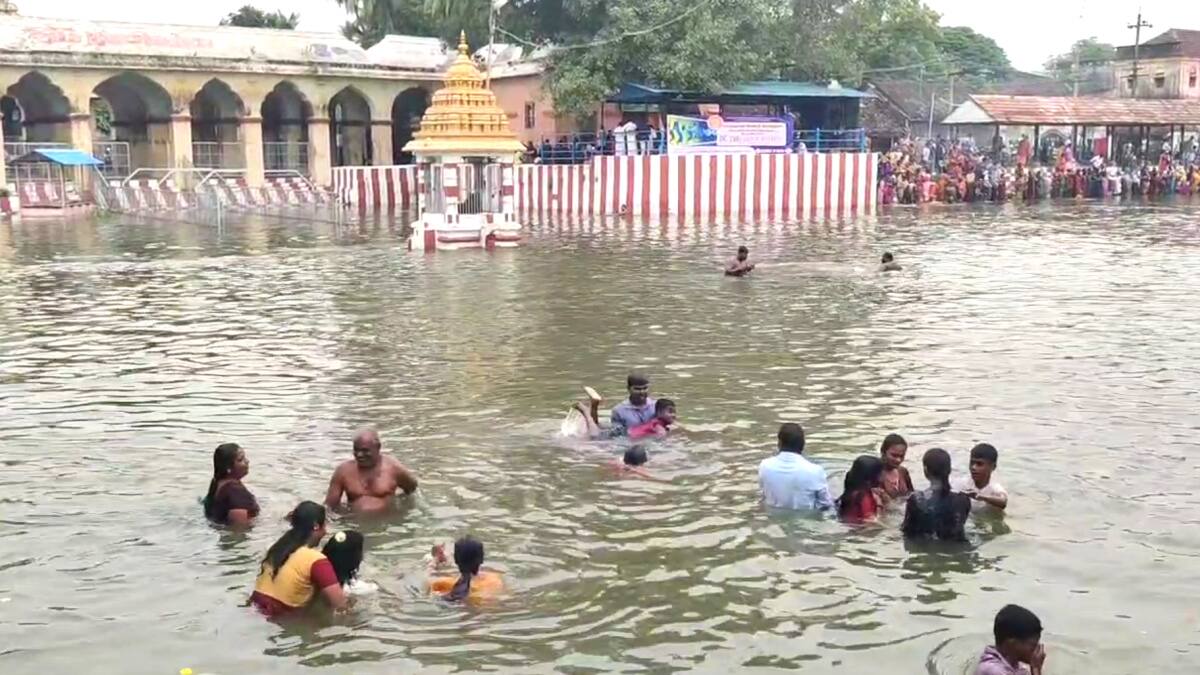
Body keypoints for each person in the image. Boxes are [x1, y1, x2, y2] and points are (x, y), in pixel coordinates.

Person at [250, 501, 347, 616]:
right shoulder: (316, 560)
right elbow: (340, 605)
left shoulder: (277, 549)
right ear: (316, 526)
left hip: (254, 608)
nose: (326, 531)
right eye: (324, 525)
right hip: (282, 617)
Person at [325, 429, 419, 514]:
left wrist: (404, 510)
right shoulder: (343, 471)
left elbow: (412, 490)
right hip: (354, 522)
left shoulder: (393, 468)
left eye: (365, 450)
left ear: (378, 447)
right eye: (356, 450)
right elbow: (330, 506)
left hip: (387, 524)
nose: (359, 454)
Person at [758, 423, 834, 511]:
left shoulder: (764, 466)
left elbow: (763, 496)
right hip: (806, 519)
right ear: (803, 444)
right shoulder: (815, 471)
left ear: (779, 443)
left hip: (773, 517)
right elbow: (825, 504)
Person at [901, 448, 971, 541]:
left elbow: (906, 530)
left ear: (925, 470)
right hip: (957, 547)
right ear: (949, 470)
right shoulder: (963, 499)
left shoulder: (916, 499)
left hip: (924, 548)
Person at [975, 604, 1046, 675]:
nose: (1038, 651)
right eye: (1033, 645)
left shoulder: (1017, 668)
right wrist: (1036, 669)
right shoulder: (992, 670)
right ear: (1011, 643)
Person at [429, 536, 504, 602]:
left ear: (456, 560)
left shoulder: (442, 583)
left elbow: (427, 580)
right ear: (481, 559)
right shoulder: (494, 581)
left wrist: (434, 562)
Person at [202, 442, 258, 527]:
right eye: (241, 460)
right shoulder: (236, 491)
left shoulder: (217, 481)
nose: (247, 461)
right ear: (228, 468)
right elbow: (238, 530)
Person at [953, 443, 1009, 513]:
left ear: (993, 467)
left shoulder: (995, 488)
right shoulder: (963, 483)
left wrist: (982, 497)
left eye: (979, 464)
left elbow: (1003, 502)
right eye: (972, 463)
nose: (973, 467)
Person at [837, 455, 885, 523]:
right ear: (869, 478)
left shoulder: (852, 491)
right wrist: (879, 505)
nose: (884, 476)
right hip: (858, 530)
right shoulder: (863, 497)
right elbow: (870, 524)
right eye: (881, 473)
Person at [879, 433, 914, 500]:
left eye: (902, 456)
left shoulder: (903, 471)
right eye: (894, 455)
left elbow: (912, 496)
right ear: (883, 452)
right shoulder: (874, 474)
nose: (898, 460)